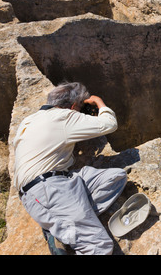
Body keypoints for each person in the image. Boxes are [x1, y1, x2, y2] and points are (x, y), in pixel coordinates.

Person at [13, 82, 127, 255]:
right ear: (73, 106)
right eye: (80, 108)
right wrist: (99, 103)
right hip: (48, 189)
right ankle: (64, 227)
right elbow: (109, 124)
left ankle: (63, 226)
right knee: (99, 247)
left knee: (116, 177)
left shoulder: (28, 121)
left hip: (59, 181)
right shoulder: (64, 116)